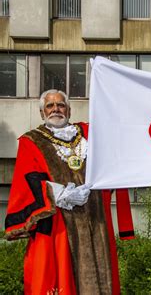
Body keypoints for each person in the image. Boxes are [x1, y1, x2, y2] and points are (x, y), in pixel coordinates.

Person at [4, 89, 134, 295]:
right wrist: (62, 194)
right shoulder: (31, 142)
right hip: (59, 225)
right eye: (50, 105)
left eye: (61, 105)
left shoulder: (90, 133)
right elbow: (28, 182)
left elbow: (116, 139)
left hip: (96, 218)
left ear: (69, 110)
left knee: (101, 274)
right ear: (42, 113)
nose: (56, 109)